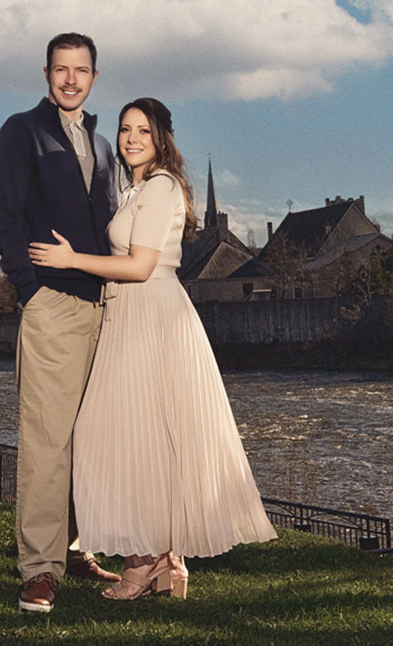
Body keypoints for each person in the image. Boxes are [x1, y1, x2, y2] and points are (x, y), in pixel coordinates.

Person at [29, 97, 276, 601]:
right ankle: (166, 562)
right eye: (124, 129)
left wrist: (72, 259)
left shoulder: (160, 187)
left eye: (142, 129)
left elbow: (141, 265)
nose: (131, 138)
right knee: (147, 437)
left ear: (161, 137)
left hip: (149, 312)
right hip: (136, 315)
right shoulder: (138, 189)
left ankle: (145, 564)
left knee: (120, 433)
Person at [0, 32, 122, 613]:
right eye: (61, 69)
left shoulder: (102, 142)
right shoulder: (22, 132)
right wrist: (30, 292)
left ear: (94, 76)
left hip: (104, 306)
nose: (71, 79)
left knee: (89, 440)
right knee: (47, 440)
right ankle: (39, 569)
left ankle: (73, 547)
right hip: (53, 306)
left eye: (82, 69)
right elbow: (7, 220)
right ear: (46, 73)